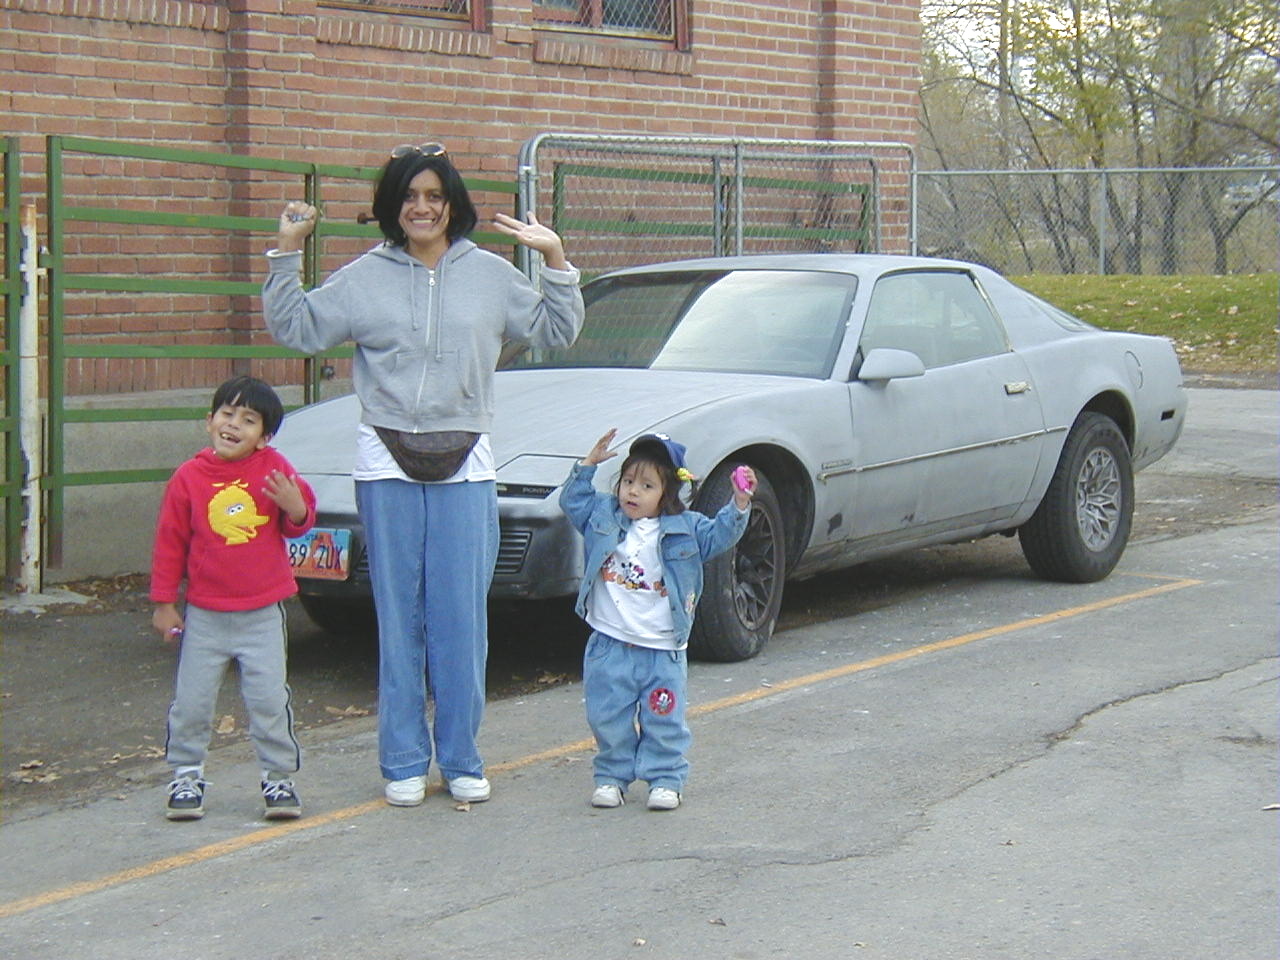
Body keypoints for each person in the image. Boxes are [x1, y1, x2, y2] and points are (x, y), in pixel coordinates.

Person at [261, 141, 584, 808]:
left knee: (461, 618)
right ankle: (404, 760)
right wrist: (286, 252)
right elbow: (298, 327)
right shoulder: (365, 277)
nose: (422, 207)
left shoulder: (489, 274)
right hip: (386, 461)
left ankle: (461, 757)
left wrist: (554, 259)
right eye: (409, 196)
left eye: (434, 196)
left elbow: (557, 330)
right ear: (393, 206)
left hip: (467, 464)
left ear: (452, 204)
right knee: (399, 615)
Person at [559, 429, 756, 810]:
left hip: (662, 649)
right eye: (628, 482)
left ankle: (665, 778)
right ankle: (612, 776)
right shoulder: (604, 515)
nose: (633, 492)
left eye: (647, 485)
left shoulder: (688, 528)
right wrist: (587, 466)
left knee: (664, 719)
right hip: (609, 644)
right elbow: (572, 501)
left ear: (667, 493)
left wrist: (740, 502)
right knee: (606, 717)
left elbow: (721, 535)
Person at [151, 375, 317, 821]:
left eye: (248, 420)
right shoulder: (188, 477)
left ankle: (278, 778)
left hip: (262, 613)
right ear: (209, 421)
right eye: (227, 414)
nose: (233, 425)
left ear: (263, 437)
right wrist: (164, 603)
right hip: (205, 614)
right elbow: (170, 543)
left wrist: (295, 506)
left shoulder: (274, 468)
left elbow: (299, 522)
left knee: (268, 700)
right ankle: (186, 775)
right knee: (192, 701)